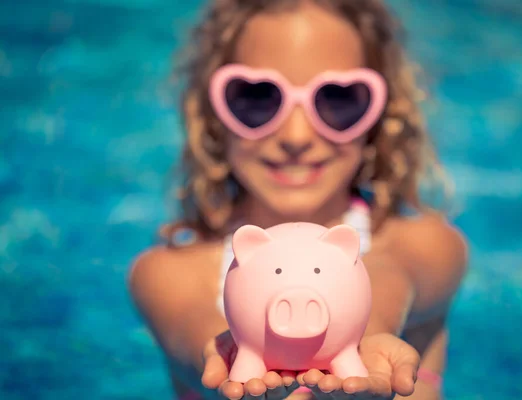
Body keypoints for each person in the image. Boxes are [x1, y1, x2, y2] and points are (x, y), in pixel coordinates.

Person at [127, 1, 468, 399]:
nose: (296, 136)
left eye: (338, 99)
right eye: (257, 97)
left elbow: (392, 273)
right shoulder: (170, 271)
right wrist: (229, 361)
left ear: (380, 113)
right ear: (213, 112)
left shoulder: (425, 243)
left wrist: (361, 334)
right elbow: (194, 333)